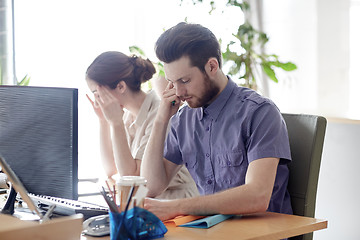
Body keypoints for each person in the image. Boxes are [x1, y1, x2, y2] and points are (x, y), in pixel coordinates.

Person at [141, 22, 293, 220]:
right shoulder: (183, 120)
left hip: (261, 233)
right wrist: (161, 119)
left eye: (185, 81)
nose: (178, 92)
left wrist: (177, 207)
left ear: (212, 66)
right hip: (210, 231)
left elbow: (257, 196)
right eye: (172, 82)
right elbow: (151, 186)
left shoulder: (260, 113)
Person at [85, 51, 199, 199]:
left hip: (175, 203)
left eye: (97, 92)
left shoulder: (160, 113)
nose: (97, 100)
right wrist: (103, 121)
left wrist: (115, 123)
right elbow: (111, 169)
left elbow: (133, 179)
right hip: (149, 202)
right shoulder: (127, 117)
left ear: (120, 86)